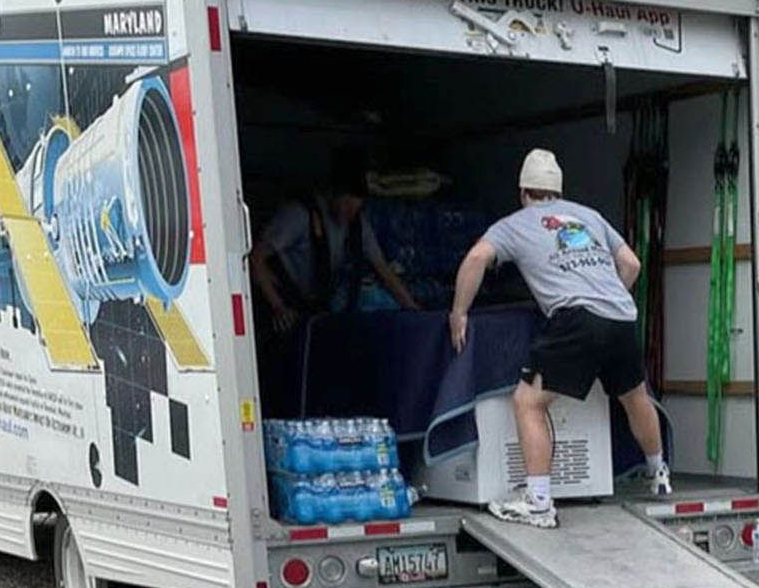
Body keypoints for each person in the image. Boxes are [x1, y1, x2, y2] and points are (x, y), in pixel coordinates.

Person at [449, 148, 671, 528]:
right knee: (634, 396)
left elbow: (475, 259)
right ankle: (658, 475)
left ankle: (538, 504)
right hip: (620, 315)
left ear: (523, 192)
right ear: (560, 191)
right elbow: (631, 264)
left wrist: (459, 313)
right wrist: (607, 298)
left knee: (528, 402)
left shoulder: (514, 224)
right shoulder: (589, 216)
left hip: (575, 319)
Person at [249, 151, 420, 336]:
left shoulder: (357, 224)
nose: (349, 213)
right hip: (281, 305)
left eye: (355, 207)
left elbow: (382, 270)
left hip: (313, 310)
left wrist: (413, 309)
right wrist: (278, 307)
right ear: (333, 193)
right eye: (346, 204)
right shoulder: (300, 215)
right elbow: (256, 257)